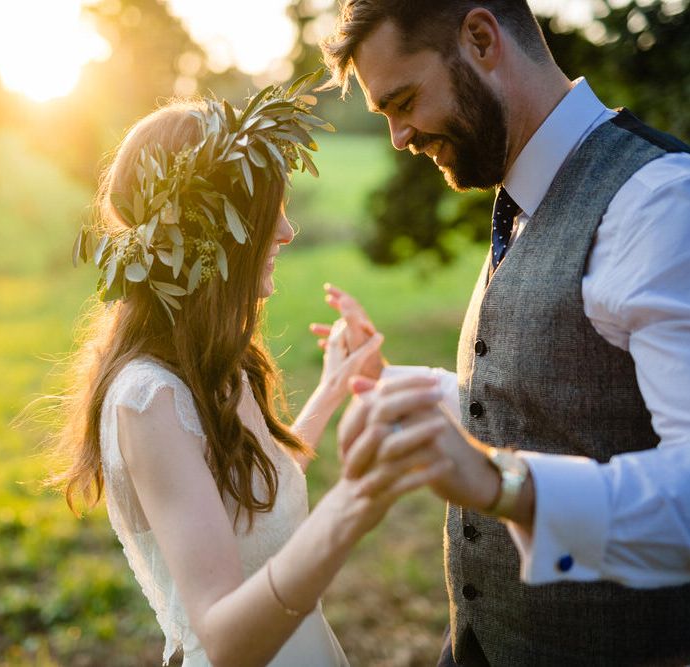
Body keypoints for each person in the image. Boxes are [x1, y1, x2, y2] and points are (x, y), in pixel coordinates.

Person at [318, 1, 690, 665]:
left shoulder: (660, 205)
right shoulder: (517, 191)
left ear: (481, 39)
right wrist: (396, 386)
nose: (398, 138)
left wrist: (501, 484)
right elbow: (542, 393)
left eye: (403, 101)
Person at [51, 80, 448, 667]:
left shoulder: (218, 365)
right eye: (269, 215)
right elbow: (228, 641)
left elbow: (257, 496)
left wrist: (335, 383)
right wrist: (357, 502)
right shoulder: (149, 399)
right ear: (214, 234)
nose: (287, 232)